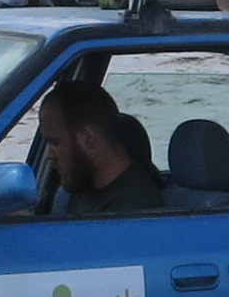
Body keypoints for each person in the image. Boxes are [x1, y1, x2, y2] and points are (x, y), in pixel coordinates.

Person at [34, 72, 168, 215]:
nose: (49, 155)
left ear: (87, 138)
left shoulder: (133, 208)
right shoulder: (83, 186)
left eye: (55, 143)